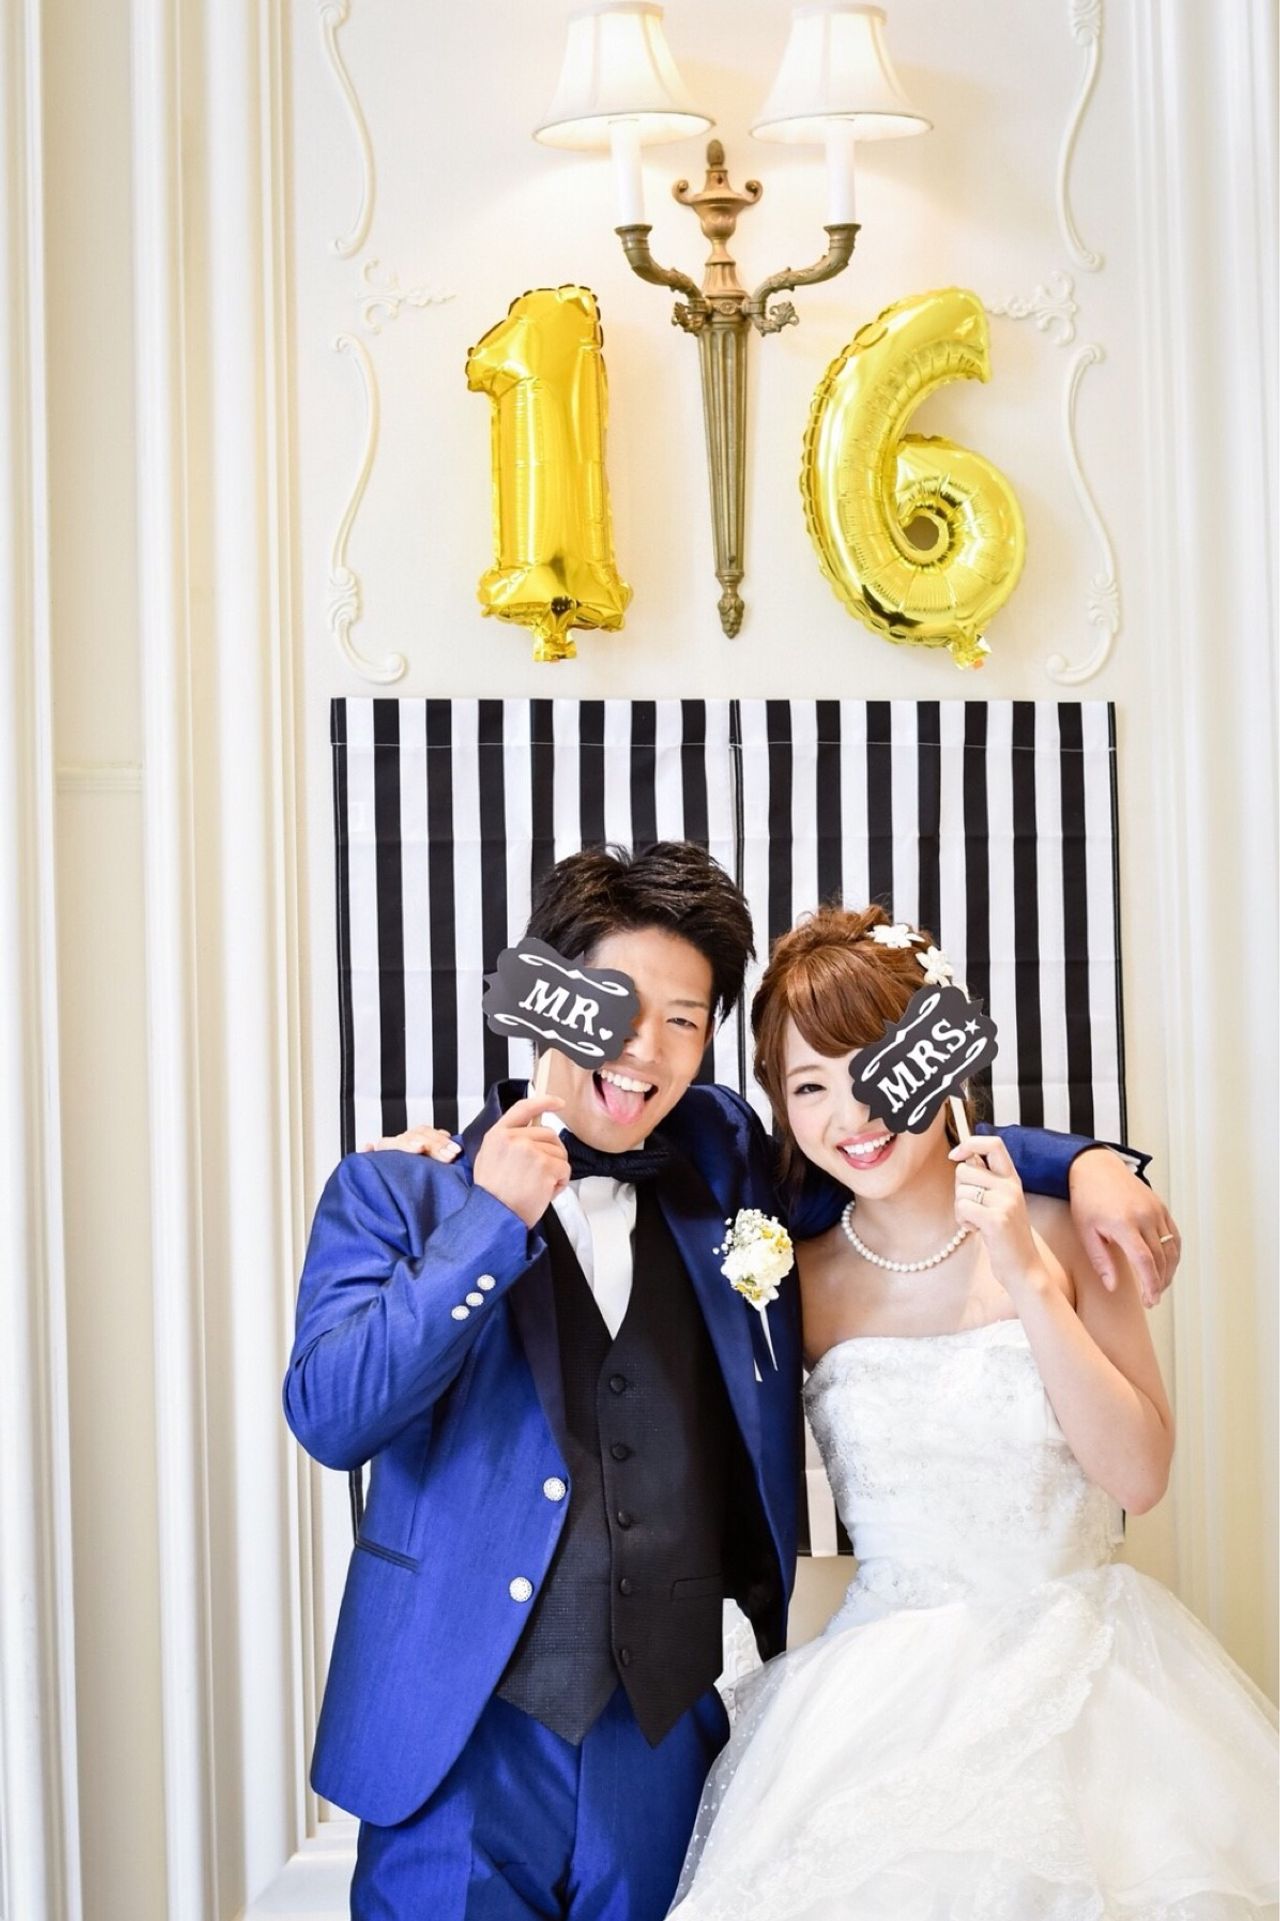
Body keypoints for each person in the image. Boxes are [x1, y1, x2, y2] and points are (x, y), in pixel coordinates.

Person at [285, 844, 1178, 1921]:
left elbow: (880, 1155)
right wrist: (486, 1223)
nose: (643, 1049)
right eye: (613, 1005)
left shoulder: (718, 1161)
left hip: (661, 1739)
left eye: (682, 1019)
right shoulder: (397, 1192)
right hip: (455, 1738)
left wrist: (1081, 1163)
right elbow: (330, 1415)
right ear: (548, 992)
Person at [669, 903, 1278, 1921]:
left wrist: (1028, 1274)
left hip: (1091, 1672)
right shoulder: (792, 1280)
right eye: (808, 1086)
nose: (850, 1114)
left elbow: (1138, 1477)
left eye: (875, 1065)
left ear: (936, 1055)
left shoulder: (1068, 1230)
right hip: (879, 1698)